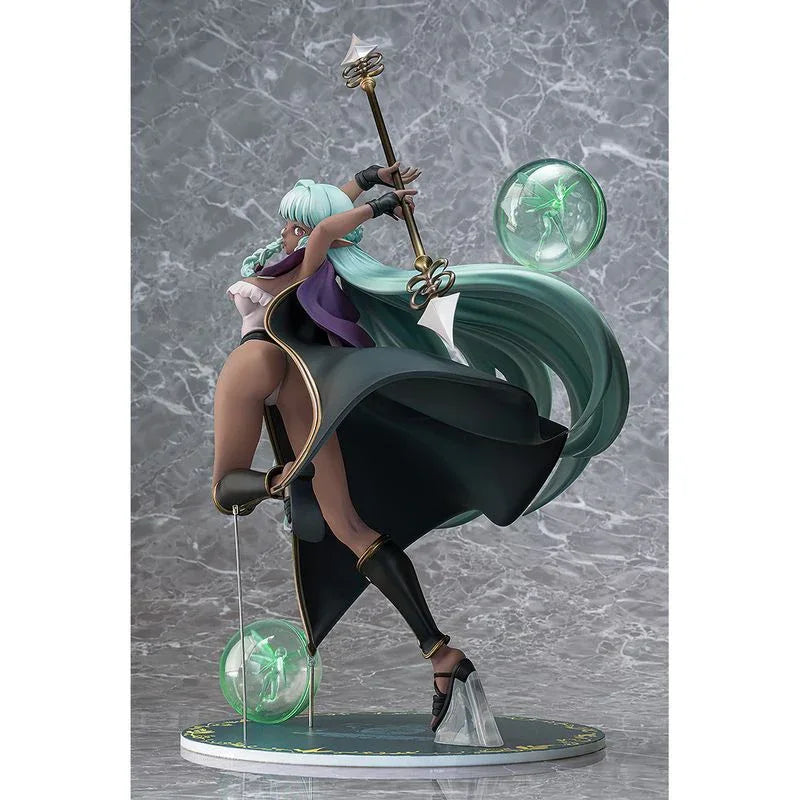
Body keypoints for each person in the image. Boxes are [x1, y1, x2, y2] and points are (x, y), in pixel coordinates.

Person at [211, 162, 629, 735]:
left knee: (227, 490)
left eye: (291, 226)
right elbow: (326, 221)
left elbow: (326, 229)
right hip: (300, 384)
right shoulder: (308, 260)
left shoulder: (304, 262)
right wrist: (367, 181)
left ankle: (275, 482)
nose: (283, 231)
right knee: (351, 529)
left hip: (258, 360)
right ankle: (441, 654)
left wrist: (376, 207)